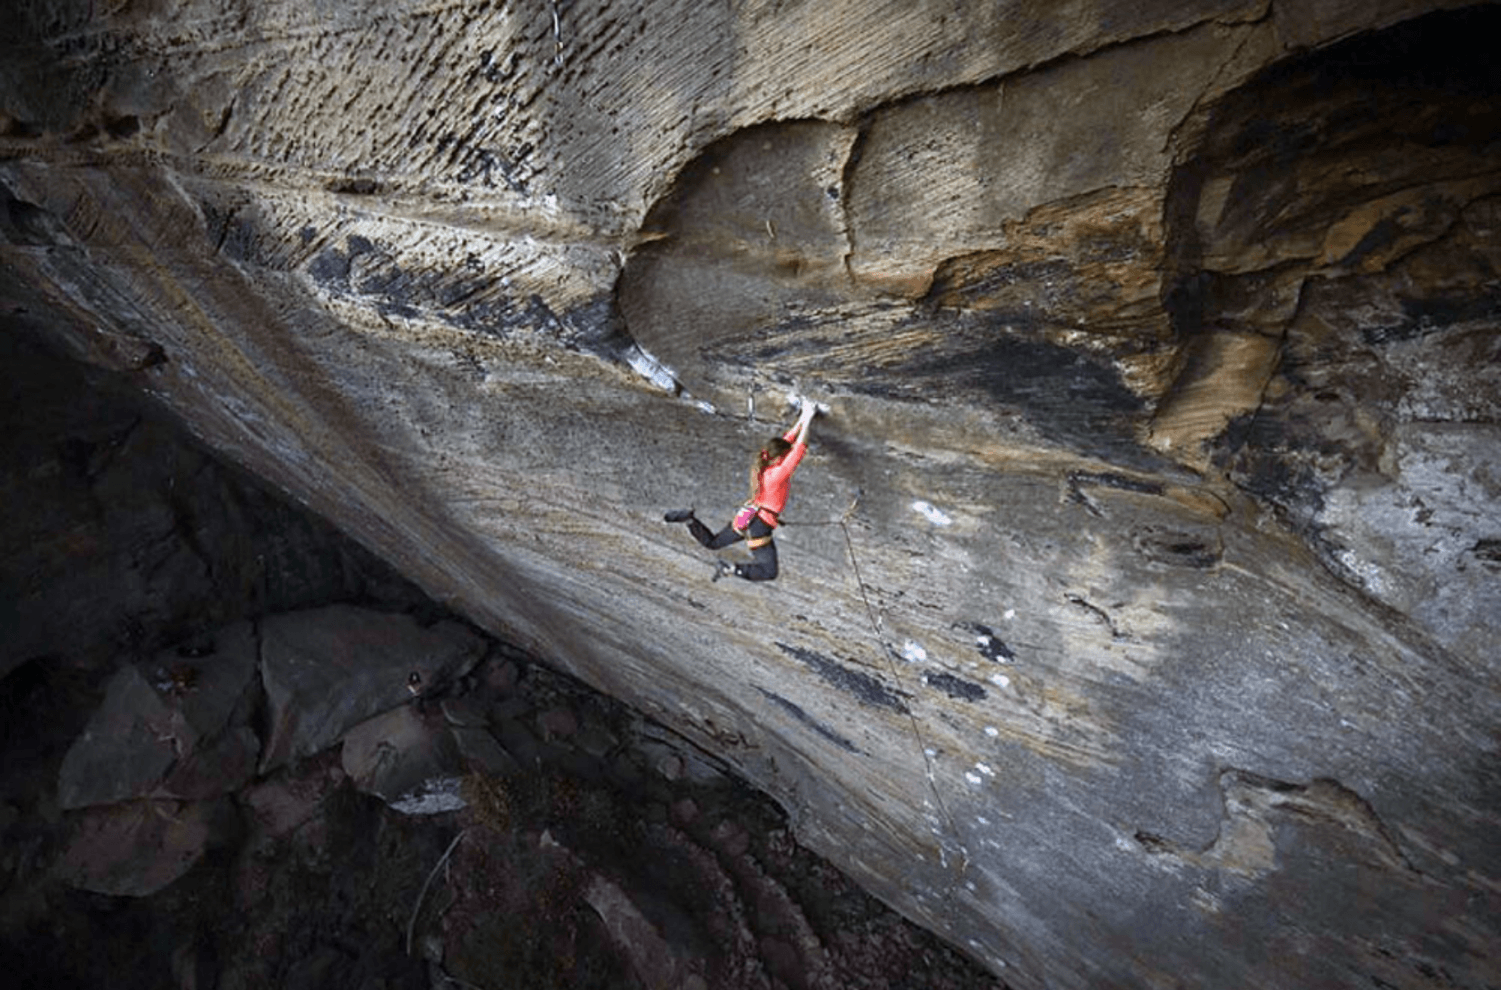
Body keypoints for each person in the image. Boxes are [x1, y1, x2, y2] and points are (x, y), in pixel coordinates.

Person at [666, 400, 818, 582]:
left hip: (747, 515)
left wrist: (802, 418)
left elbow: (786, 441)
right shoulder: (778, 474)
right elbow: (799, 450)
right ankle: (732, 569)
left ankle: (689, 519)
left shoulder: (763, 461)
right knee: (769, 571)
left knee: (713, 543)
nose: (787, 457)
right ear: (779, 458)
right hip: (759, 524)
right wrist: (809, 418)